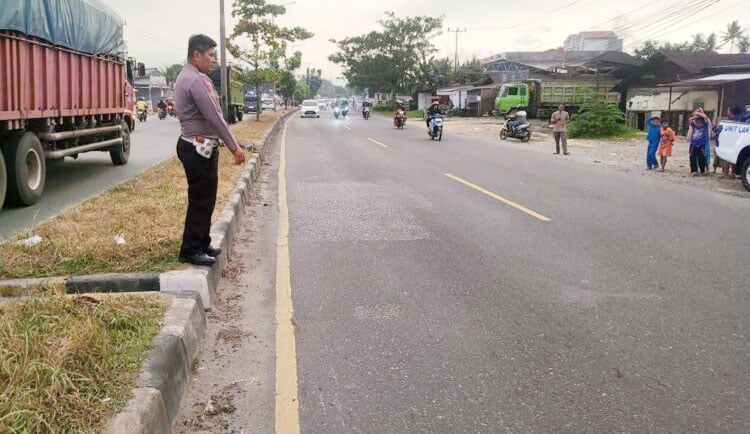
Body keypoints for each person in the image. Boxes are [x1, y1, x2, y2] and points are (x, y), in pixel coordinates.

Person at [174, 34, 246, 266]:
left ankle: (202, 242)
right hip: (196, 147)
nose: (213, 60)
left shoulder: (192, 76)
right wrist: (234, 146)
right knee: (200, 199)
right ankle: (191, 249)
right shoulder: (195, 80)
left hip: (200, 146)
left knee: (206, 197)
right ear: (196, 54)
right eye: (210, 55)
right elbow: (215, 116)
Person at [687, 110, 712, 176]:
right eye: (697, 120)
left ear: (703, 121)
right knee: (692, 157)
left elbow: (706, 117)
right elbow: (690, 119)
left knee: (702, 158)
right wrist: (696, 116)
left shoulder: (705, 125)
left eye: (700, 120)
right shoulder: (693, 125)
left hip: (702, 144)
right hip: (693, 144)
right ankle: (694, 171)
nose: (699, 122)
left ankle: (702, 170)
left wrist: (699, 113)